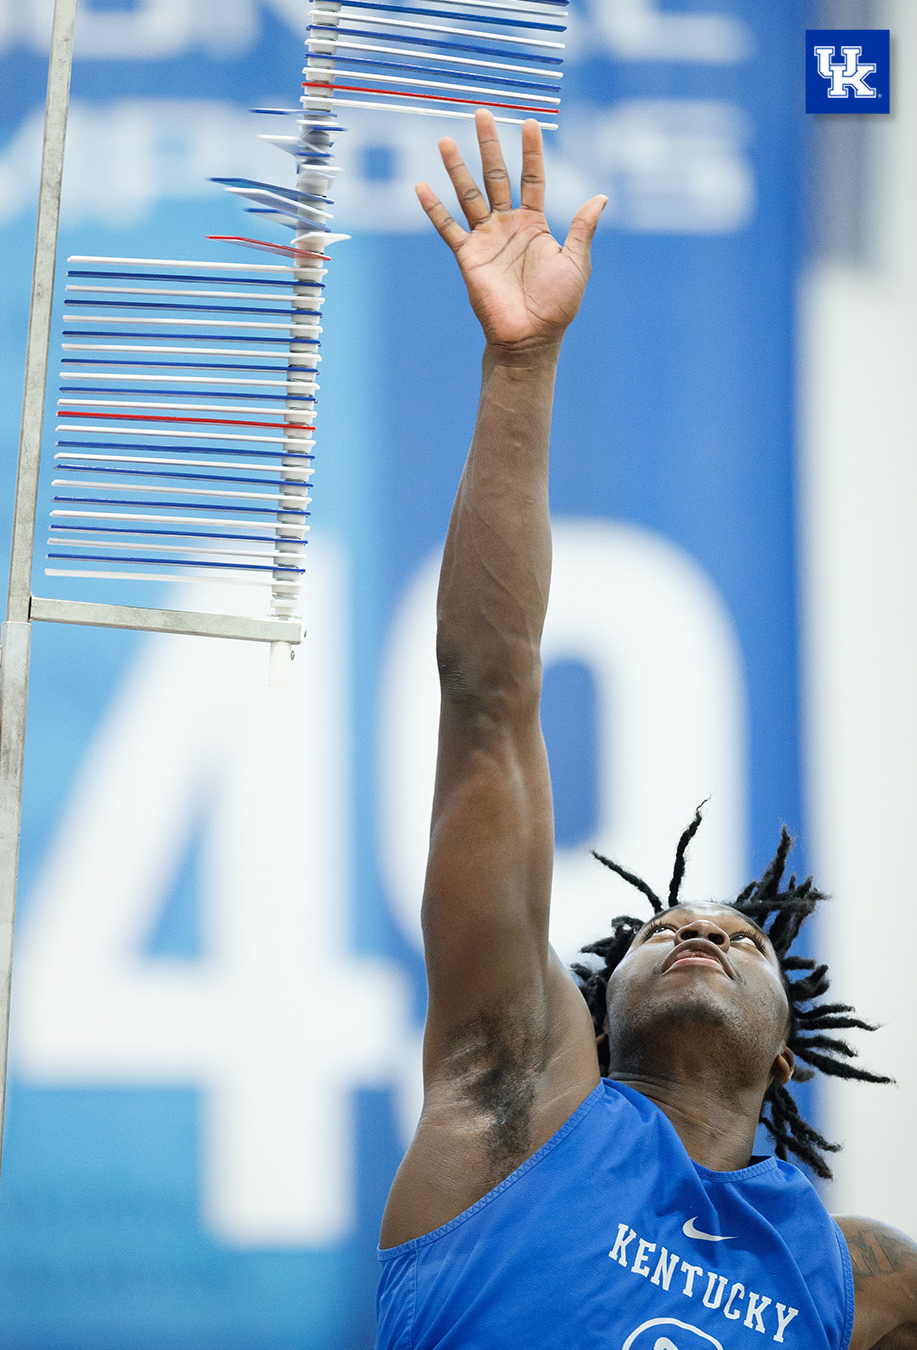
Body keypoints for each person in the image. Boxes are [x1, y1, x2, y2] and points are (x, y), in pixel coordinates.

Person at [375, 110, 917, 1350]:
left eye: (740, 939)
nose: (702, 929)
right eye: (666, 929)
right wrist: (521, 368)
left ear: (787, 1059)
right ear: (596, 1015)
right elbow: (487, 700)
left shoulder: (852, 1276)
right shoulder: (518, 1098)